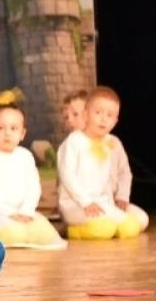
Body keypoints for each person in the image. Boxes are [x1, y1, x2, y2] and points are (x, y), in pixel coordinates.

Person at [0, 105, 65, 250]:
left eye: (13, 128)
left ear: (22, 133)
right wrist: (9, 213)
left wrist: (27, 210)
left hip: (23, 212)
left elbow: (33, 187)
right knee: (9, 232)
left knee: (43, 233)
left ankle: (25, 230)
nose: (7, 133)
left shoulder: (25, 156)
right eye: (1, 128)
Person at [57, 86, 149, 240]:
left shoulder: (113, 142)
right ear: (86, 114)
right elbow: (67, 176)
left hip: (105, 203)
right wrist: (86, 202)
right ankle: (75, 230)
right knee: (106, 227)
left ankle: (108, 225)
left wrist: (122, 196)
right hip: (76, 204)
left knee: (141, 220)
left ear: (116, 120)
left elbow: (124, 173)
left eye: (110, 115)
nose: (103, 119)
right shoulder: (74, 141)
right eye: (98, 113)